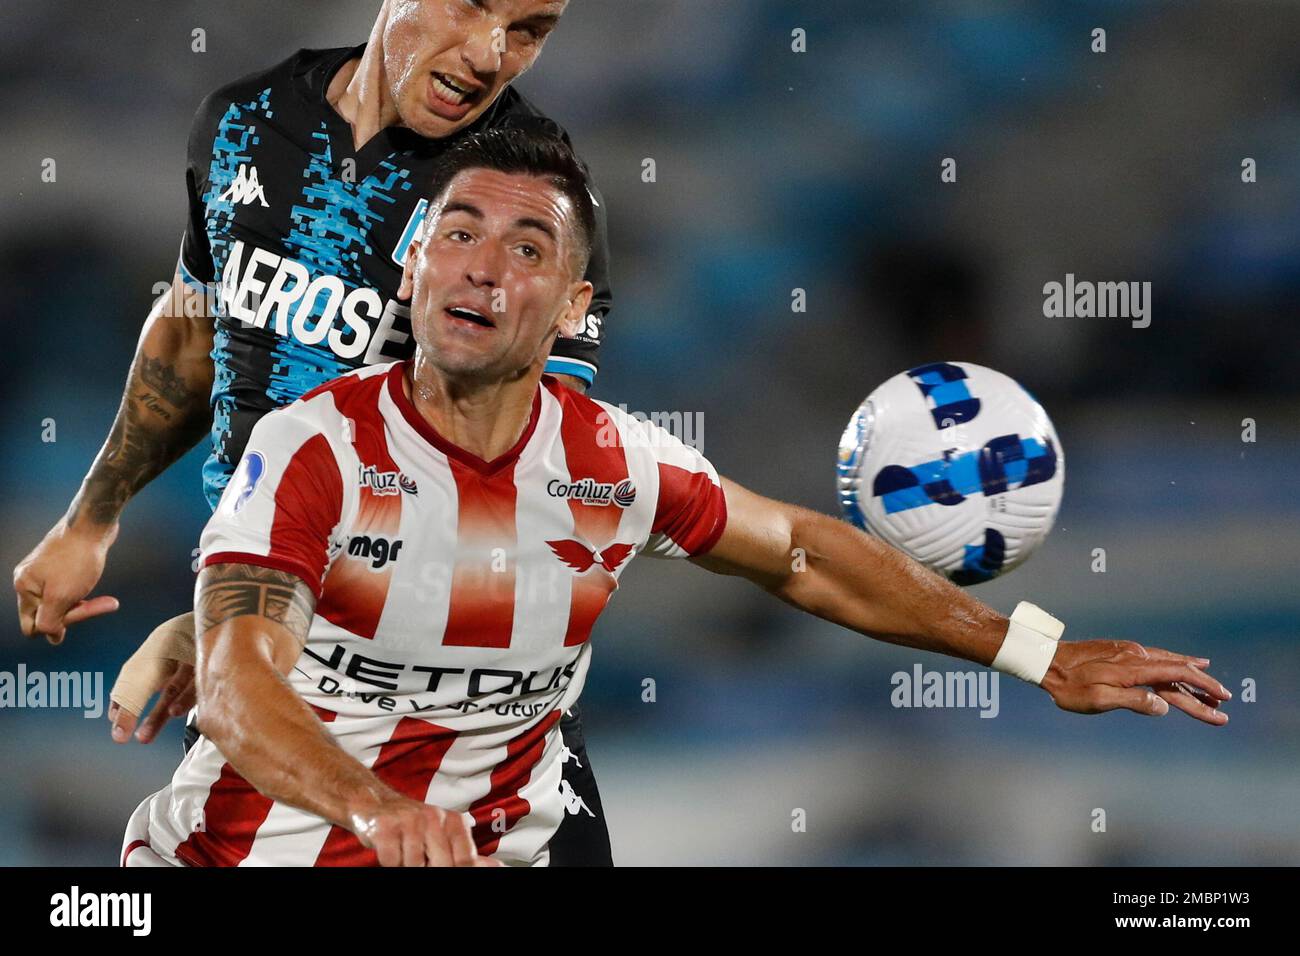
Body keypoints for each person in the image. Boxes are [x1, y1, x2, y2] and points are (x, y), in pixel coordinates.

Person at [121, 127, 1229, 867]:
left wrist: (1034, 652)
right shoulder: (310, 446)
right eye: (455, 233)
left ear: (570, 306)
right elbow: (234, 683)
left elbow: (799, 549)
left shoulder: (614, 463)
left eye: (525, 246)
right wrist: (376, 810)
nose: (479, 266)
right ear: (409, 266)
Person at [13, 0, 615, 866]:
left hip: (457, 722)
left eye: (530, 29)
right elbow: (193, 332)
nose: (491, 53)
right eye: (475, 4)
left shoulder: (526, 203)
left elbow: (523, 483)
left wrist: (220, 632)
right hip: (264, 686)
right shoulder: (245, 122)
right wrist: (90, 520)